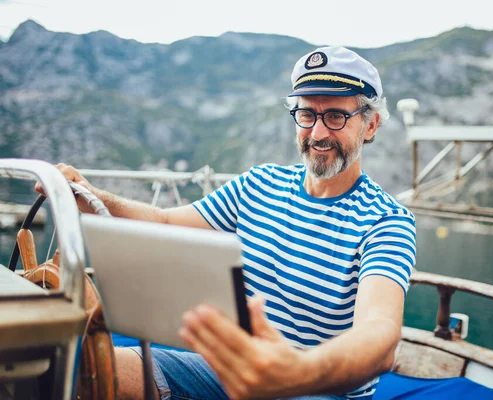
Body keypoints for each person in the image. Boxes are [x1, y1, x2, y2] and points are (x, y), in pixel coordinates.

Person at [39, 46, 416, 400]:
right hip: (225, 370)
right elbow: (166, 221)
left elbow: (378, 334)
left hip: (317, 387)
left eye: (335, 116)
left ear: (370, 125)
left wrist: (296, 369)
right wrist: (94, 198)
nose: (317, 133)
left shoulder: (386, 222)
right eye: (307, 114)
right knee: (89, 371)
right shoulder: (258, 184)